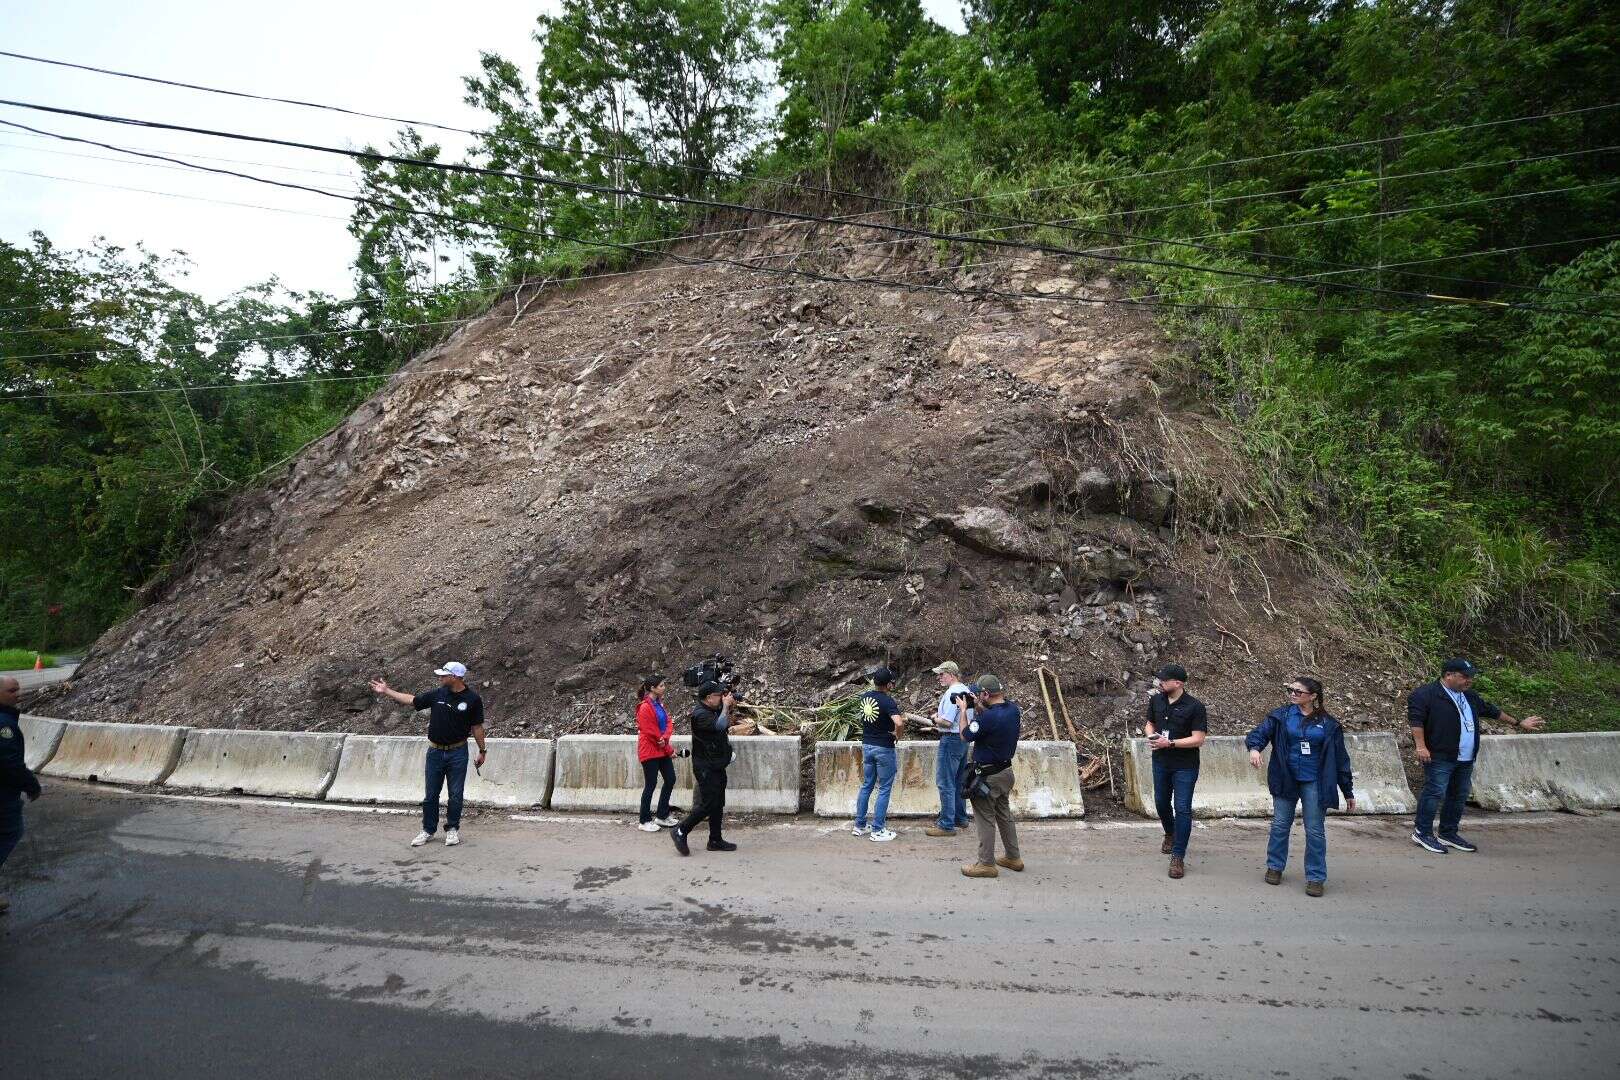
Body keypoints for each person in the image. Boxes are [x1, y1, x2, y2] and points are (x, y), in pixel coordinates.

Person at [1409, 658, 1545, 854]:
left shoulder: (1470, 696)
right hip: (1440, 755)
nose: (1469, 680)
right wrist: (1421, 746)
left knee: (1458, 795)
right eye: (1465, 676)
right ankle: (1422, 832)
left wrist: (1518, 723)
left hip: (1465, 757)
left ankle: (1448, 833)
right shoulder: (1426, 695)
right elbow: (1416, 721)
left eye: (1471, 676)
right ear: (1448, 675)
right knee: (1435, 792)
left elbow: (1492, 711)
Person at [1245, 677, 1356, 897]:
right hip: (1286, 777)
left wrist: (1347, 790)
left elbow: (1341, 759)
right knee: (1280, 825)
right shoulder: (1281, 715)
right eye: (1290, 690)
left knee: (1315, 830)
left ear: (1313, 696)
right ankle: (1275, 866)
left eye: (1298, 691)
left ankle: (1315, 877)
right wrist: (1255, 749)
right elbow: (1259, 733)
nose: (1293, 694)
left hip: (1315, 780)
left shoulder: (1328, 724)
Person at [370, 661, 486, 848]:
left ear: (455, 677)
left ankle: (452, 829)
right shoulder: (438, 694)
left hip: (458, 752)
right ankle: (428, 830)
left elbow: (477, 727)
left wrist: (482, 750)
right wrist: (387, 691)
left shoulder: (473, 699)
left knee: (456, 795)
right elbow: (412, 700)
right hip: (435, 752)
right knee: (431, 795)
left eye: (443, 675)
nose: (439, 677)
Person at [1145, 663, 1208, 880]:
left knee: (1182, 808)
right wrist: (1151, 736)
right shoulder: (1156, 700)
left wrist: (1170, 743)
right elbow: (1149, 723)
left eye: (1164, 680)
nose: (1160, 682)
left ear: (1178, 683)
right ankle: (1170, 833)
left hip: (1185, 765)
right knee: (1161, 803)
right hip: (1160, 762)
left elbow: (1198, 739)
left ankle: (1178, 856)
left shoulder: (1195, 706)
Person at [961, 674, 1023, 878]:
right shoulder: (1013, 710)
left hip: (988, 776)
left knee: (985, 819)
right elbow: (993, 722)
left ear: (986, 694)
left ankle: (986, 864)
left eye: (980, 694)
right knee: (1004, 814)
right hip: (1006, 772)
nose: (977, 697)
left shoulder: (987, 717)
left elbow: (965, 735)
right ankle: (1013, 857)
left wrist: (964, 711)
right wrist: (980, 707)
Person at [671, 682, 737, 855]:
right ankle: (681, 830)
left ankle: (715, 839)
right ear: (708, 698)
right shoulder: (700, 714)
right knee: (708, 804)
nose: (721, 698)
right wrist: (726, 707)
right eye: (718, 695)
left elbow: (723, 722)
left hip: (717, 764)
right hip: (705, 767)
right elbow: (720, 726)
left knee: (718, 804)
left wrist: (727, 705)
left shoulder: (711, 709)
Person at [851, 667, 913, 843]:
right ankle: (878, 830)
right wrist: (897, 735)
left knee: (867, 785)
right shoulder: (888, 701)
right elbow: (899, 722)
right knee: (884, 788)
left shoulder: (865, 698)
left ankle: (860, 825)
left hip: (867, 745)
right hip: (883, 748)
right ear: (889, 684)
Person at [1, 675, 43, 914]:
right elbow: (9, 763)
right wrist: (31, 785)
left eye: (18, 689)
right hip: (3, 795)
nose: (17, 694)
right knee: (10, 831)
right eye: (11, 691)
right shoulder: (4, 725)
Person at [925, 660, 974, 838]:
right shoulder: (966, 690)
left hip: (951, 738)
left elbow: (946, 721)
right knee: (959, 780)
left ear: (951, 674)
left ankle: (946, 824)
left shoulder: (952, 692)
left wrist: (934, 717)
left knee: (945, 782)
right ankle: (960, 817)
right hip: (963, 739)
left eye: (941, 674)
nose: (939, 677)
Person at [636, 675, 679, 832]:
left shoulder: (659, 704)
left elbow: (668, 722)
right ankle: (644, 820)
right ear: (652, 688)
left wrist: (666, 740)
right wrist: (668, 748)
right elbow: (652, 733)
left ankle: (661, 816)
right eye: (661, 685)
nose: (664, 687)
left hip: (661, 749)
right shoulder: (645, 707)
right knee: (651, 784)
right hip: (649, 751)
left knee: (670, 779)